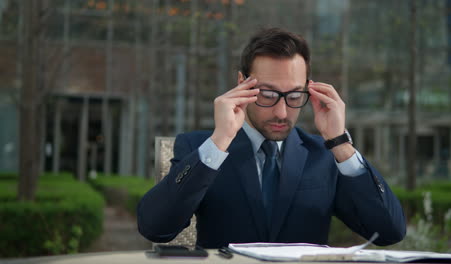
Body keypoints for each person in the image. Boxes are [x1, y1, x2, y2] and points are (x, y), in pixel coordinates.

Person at [137, 28, 406, 249]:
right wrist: (220, 140)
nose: (281, 112)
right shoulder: (200, 148)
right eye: (267, 94)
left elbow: (388, 232)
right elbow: (156, 228)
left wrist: (340, 143)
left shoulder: (324, 156)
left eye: (294, 96)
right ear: (242, 83)